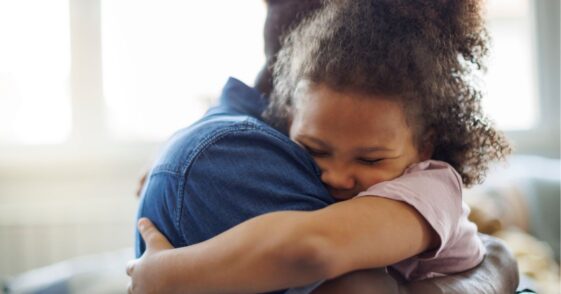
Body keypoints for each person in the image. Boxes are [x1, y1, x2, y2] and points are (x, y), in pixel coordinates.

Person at [130, 0, 519, 293]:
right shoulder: (236, 144)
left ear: (425, 146)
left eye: (369, 158)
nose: (335, 175)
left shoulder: (430, 190)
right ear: (287, 121)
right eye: (314, 150)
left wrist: (165, 274)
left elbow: (310, 248)